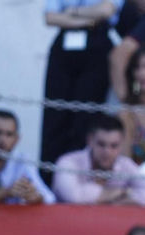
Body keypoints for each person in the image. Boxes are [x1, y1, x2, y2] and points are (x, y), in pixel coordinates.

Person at [39, 0, 120, 168]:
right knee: (54, 116)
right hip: (65, 44)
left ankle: (83, 174)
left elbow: (106, 11)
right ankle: (49, 176)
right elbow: (50, 17)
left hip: (97, 43)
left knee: (87, 118)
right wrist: (89, 19)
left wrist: (72, 12)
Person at [53, 113, 145, 206]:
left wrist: (126, 194)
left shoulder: (125, 164)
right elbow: (74, 196)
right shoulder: (68, 162)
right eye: (101, 144)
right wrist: (117, 194)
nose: (107, 152)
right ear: (90, 140)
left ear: (122, 144)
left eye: (114, 146)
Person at [0, 108, 53, 205]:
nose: (2, 140)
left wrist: (34, 195)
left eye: (9, 134)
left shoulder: (22, 160)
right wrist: (7, 192)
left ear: (17, 139)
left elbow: (49, 198)